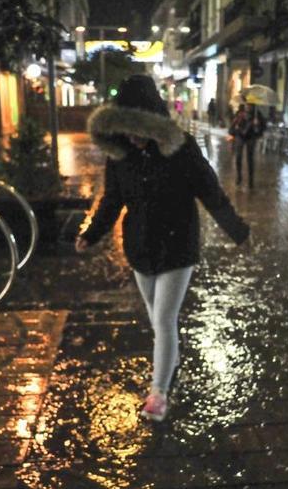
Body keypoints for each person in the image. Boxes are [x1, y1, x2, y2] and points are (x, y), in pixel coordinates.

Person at [77, 74, 250, 422]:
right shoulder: (120, 156)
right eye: (125, 130)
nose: (133, 137)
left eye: (138, 129)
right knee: (159, 321)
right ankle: (170, 362)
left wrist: (237, 231)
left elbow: (210, 192)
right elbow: (112, 199)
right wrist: (92, 233)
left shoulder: (181, 149)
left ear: (154, 123)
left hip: (177, 244)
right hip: (140, 248)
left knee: (164, 318)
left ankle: (159, 393)